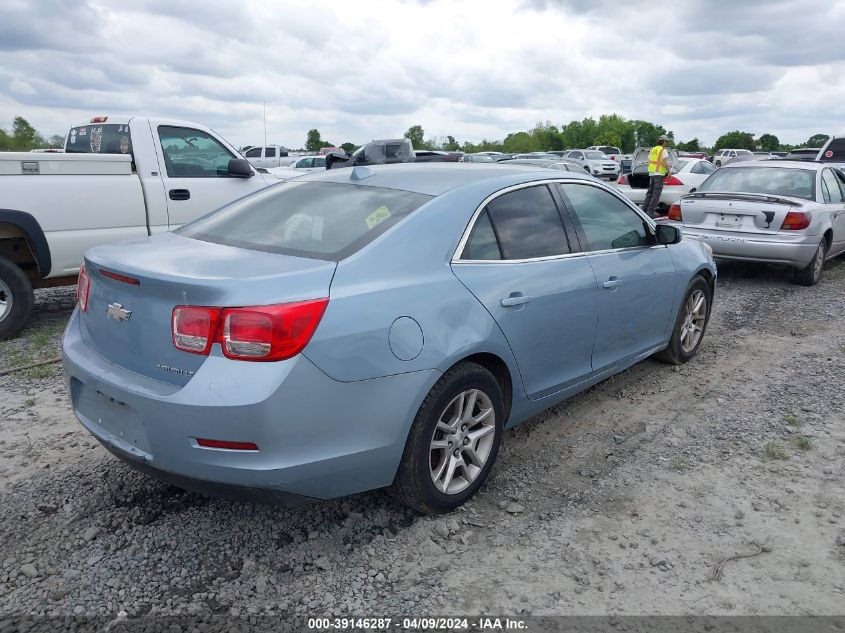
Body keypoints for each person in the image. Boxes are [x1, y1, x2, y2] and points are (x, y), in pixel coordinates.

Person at [642, 135, 673, 218]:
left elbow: (650, 160)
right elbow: (665, 163)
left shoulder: (653, 149)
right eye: (666, 142)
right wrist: (669, 172)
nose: (666, 144)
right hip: (659, 174)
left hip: (652, 173)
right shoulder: (663, 150)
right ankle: (650, 212)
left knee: (650, 193)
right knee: (656, 194)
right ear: (664, 142)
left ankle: (644, 209)